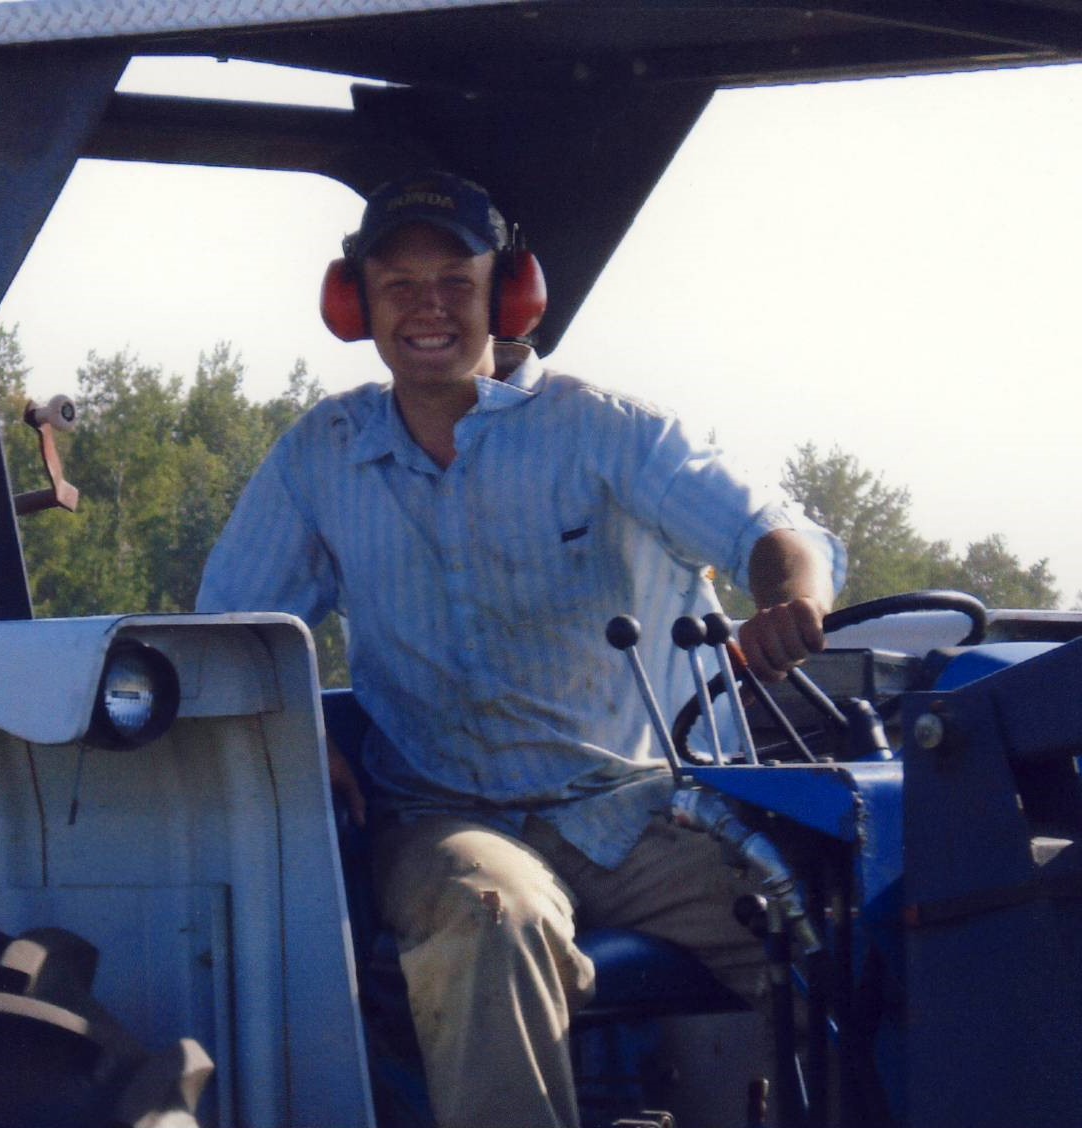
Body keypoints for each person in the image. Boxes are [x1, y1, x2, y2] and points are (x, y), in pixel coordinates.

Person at [196, 170, 844, 1128]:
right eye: (398, 286)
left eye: (455, 283)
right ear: (355, 303)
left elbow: (776, 534)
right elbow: (226, 638)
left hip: (639, 816)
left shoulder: (607, 431)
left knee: (848, 937)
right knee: (493, 918)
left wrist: (790, 596)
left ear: (508, 297)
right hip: (446, 818)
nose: (427, 310)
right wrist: (294, 738)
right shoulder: (320, 455)